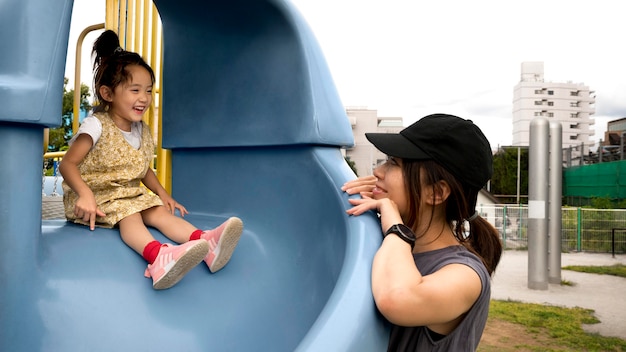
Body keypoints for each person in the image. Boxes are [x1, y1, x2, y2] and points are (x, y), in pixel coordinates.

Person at [60, 30, 243, 290]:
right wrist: (84, 194)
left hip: (127, 193)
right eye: (135, 90)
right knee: (131, 214)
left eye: (148, 90)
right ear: (108, 94)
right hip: (94, 196)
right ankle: (158, 257)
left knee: (157, 210)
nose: (144, 98)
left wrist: (162, 193)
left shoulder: (141, 129)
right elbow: (67, 164)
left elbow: (142, 167)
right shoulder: (96, 125)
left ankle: (206, 242)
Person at [341, 113, 502, 351]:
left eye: (395, 163)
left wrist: (397, 228)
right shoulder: (387, 243)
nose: (378, 172)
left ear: (436, 193)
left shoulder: (467, 274)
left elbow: (396, 299)